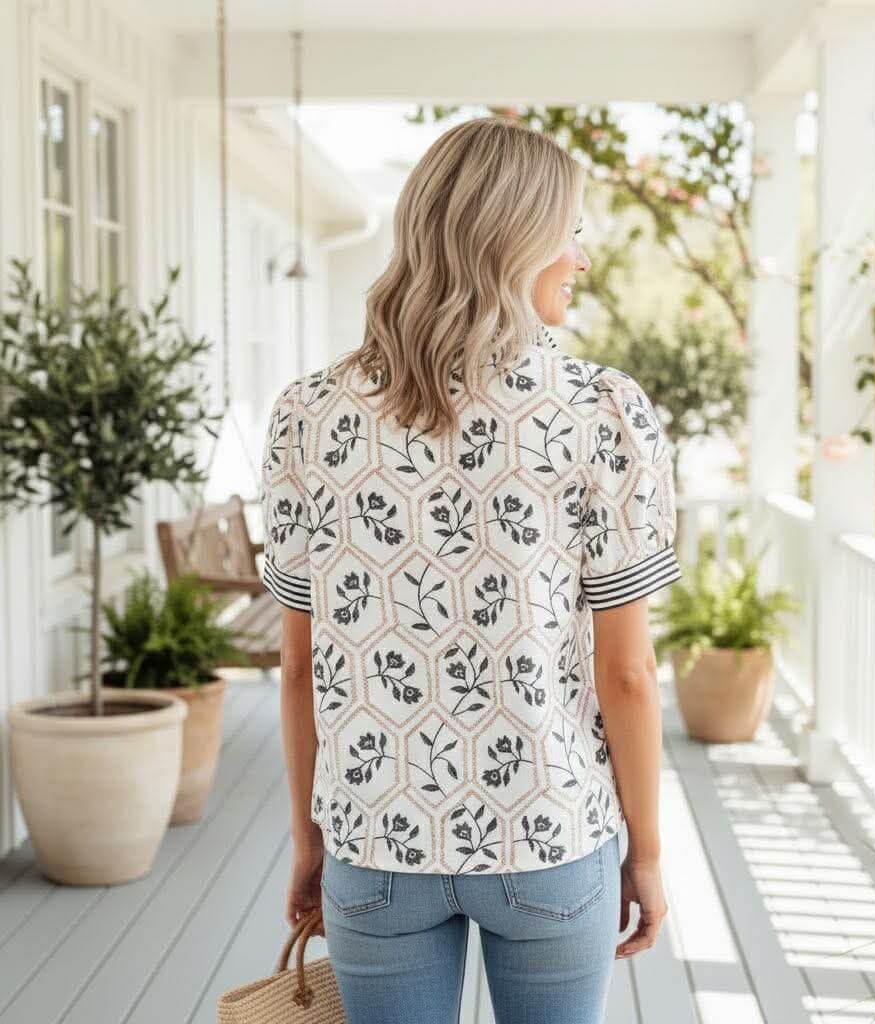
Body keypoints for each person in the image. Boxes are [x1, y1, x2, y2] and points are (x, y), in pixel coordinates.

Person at [260, 115, 682, 1024]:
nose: (581, 257)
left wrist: (310, 838)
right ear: (516, 239)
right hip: (550, 837)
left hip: (374, 841)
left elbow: (298, 667)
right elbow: (629, 674)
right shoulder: (601, 413)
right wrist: (645, 852)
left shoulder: (308, 415)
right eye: (570, 232)